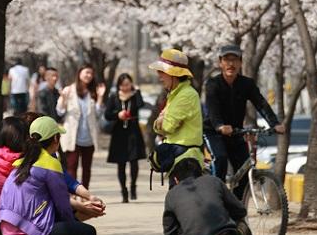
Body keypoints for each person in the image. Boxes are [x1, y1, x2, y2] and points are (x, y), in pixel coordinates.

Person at [0, 116, 99, 235]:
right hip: (28, 233)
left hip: (8, 229)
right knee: (85, 232)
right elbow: (63, 207)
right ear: (55, 140)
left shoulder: (21, 162)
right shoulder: (50, 164)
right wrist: (74, 223)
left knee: (71, 231)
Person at [204, 44, 285, 199]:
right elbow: (212, 109)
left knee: (244, 168)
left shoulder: (246, 84)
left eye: (234, 60)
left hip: (236, 132)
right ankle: (214, 198)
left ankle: (237, 211)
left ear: (241, 63)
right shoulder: (213, 84)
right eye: (226, 60)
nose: (231, 64)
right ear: (220, 63)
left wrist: (274, 123)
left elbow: (261, 103)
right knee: (220, 158)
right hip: (214, 132)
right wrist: (219, 126)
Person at [149, 48, 204, 176]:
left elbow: (167, 127)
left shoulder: (185, 95)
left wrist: (162, 120)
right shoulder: (176, 94)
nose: (159, 75)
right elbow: (159, 127)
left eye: (162, 71)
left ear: (174, 74)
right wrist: (161, 121)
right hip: (179, 160)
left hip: (186, 162)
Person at [56, 64, 105, 188]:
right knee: (71, 167)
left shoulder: (93, 92)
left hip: (89, 138)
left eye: (91, 73)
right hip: (73, 137)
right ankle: (73, 195)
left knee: (86, 169)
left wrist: (100, 97)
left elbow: (98, 114)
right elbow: (60, 112)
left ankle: (84, 196)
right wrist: (63, 98)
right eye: (86, 72)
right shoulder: (69, 90)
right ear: (79, 73)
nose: (89, 75)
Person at [104, 73, 146, 202]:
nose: (125, 87)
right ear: (119, 85)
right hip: (119, 133)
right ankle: (124, 191)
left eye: (128, 84)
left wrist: (137, 91)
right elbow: (107, 114)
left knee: (134, 161)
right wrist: (118, 115)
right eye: (122, 85)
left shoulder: (135, 96)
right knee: (121, 163)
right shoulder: (114, 97)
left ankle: (133, 186)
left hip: (133, 131)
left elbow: (140, 105)